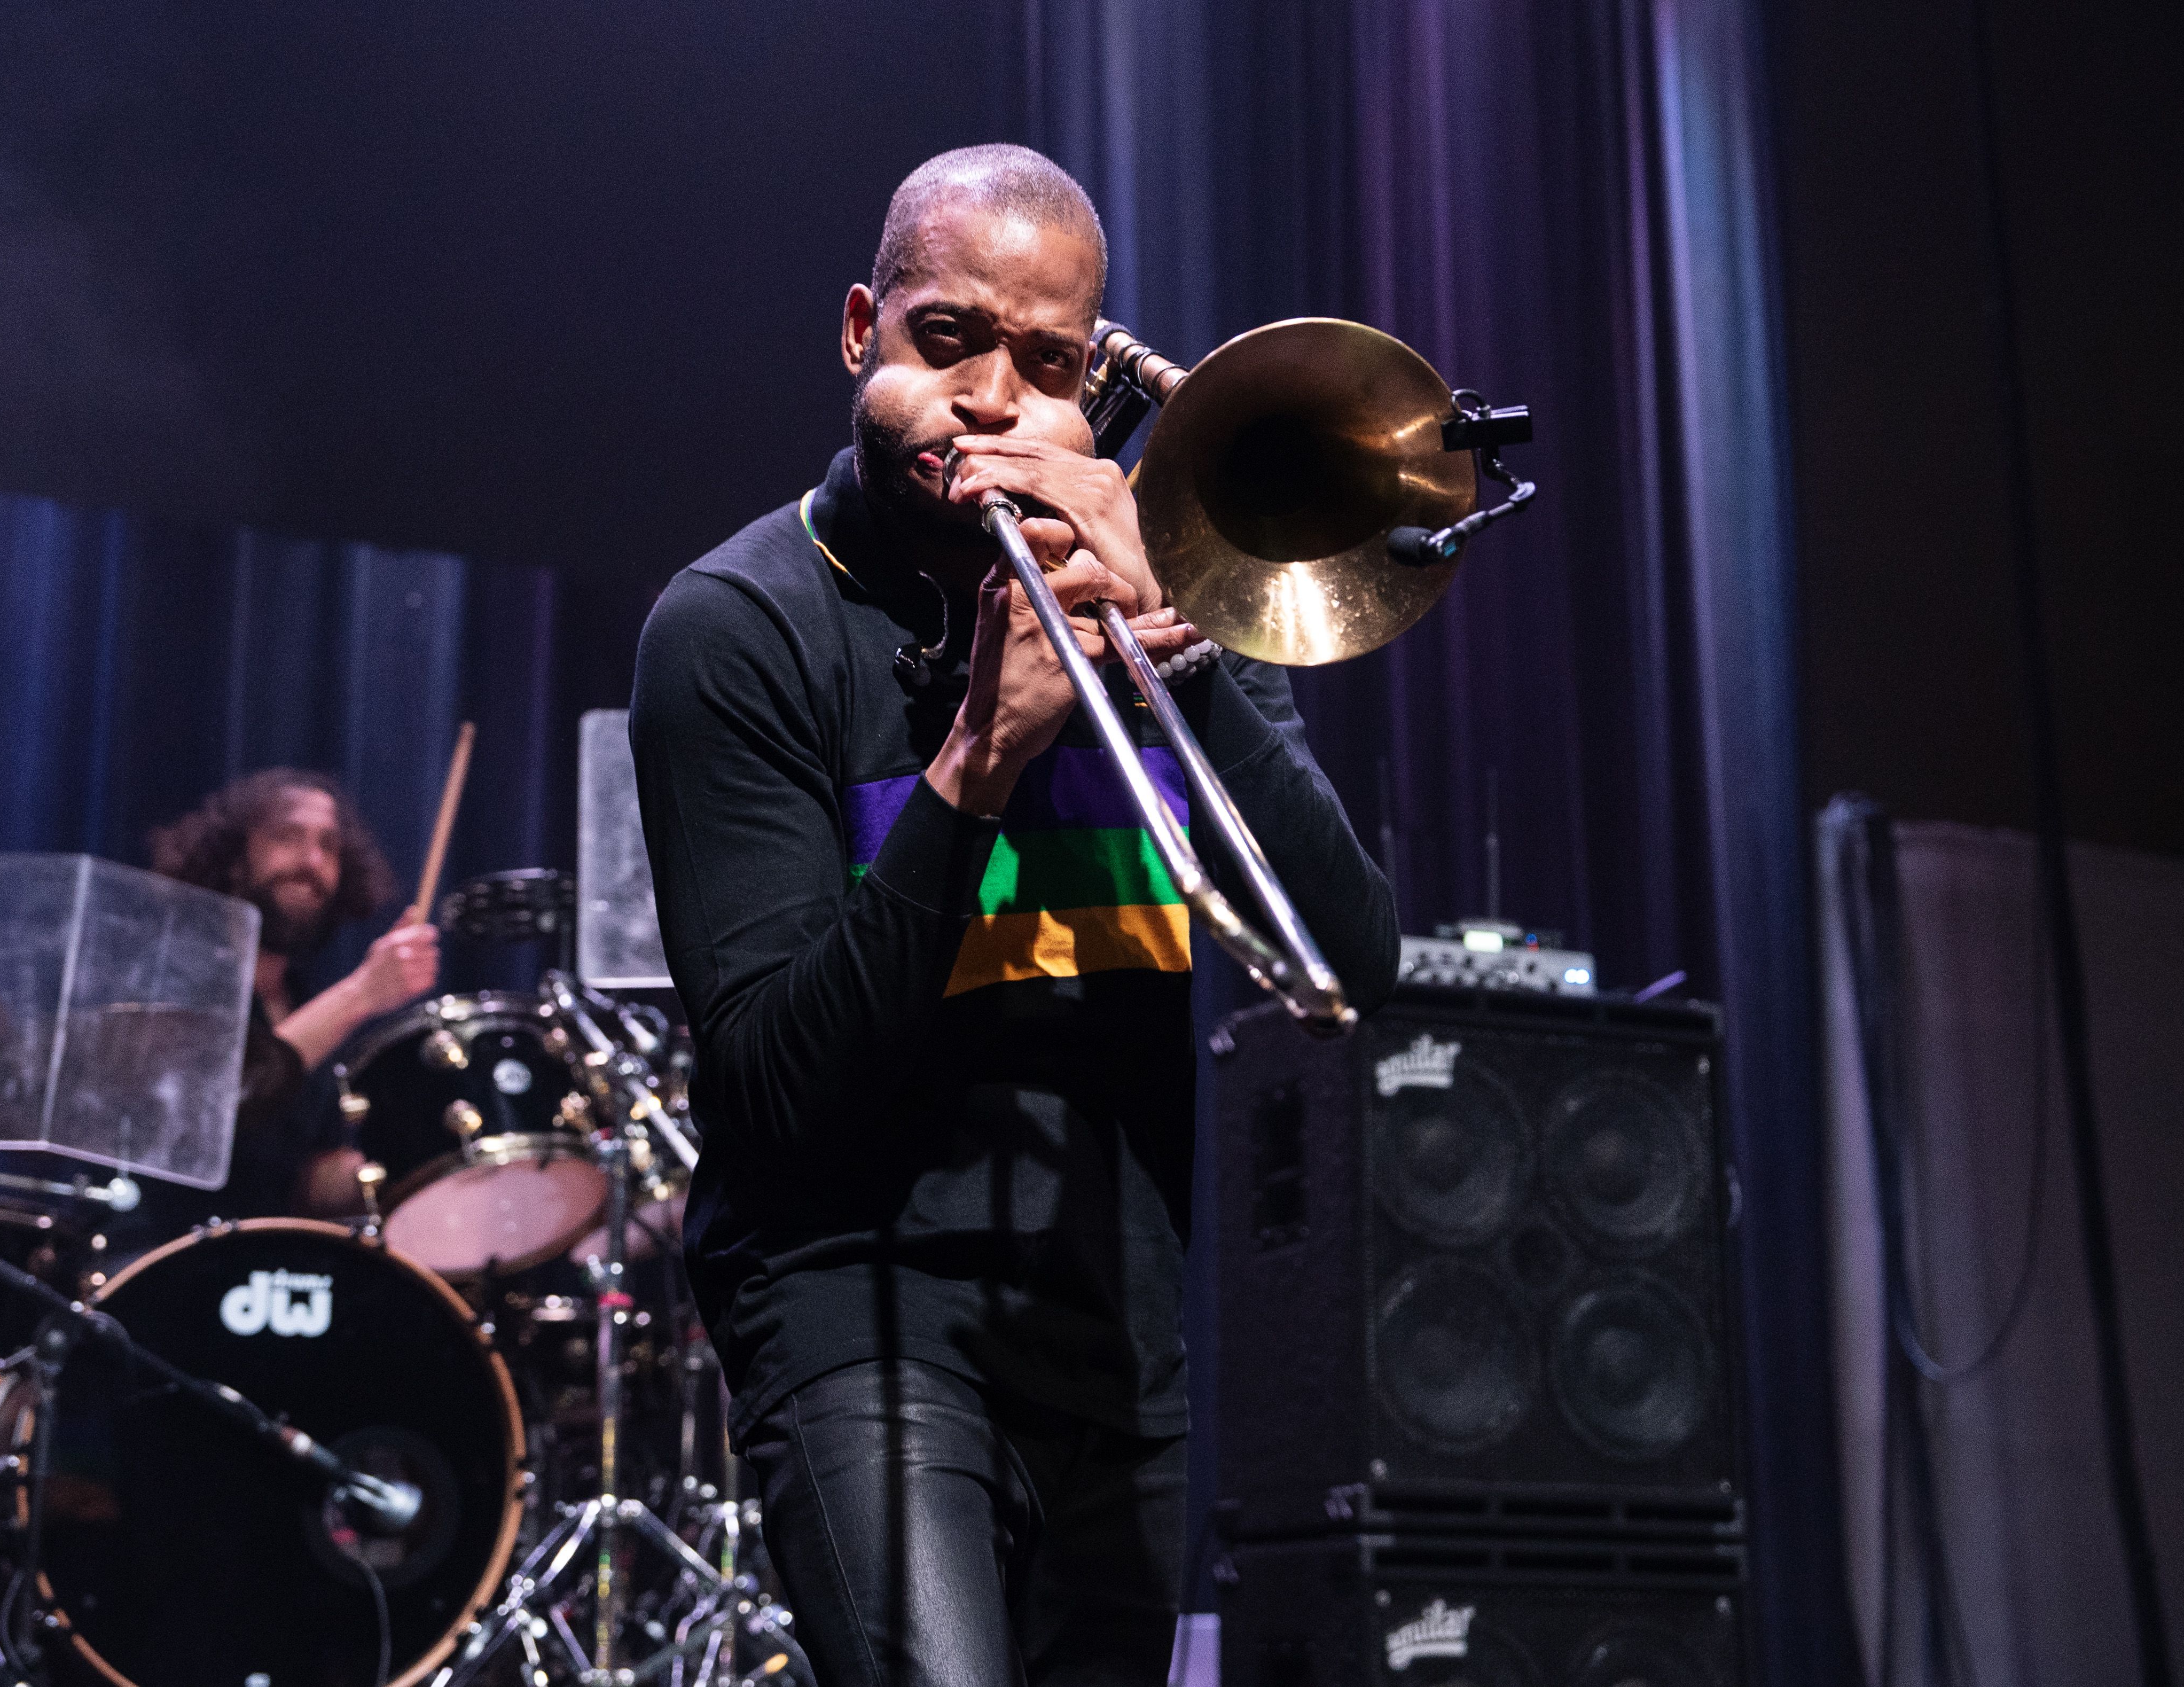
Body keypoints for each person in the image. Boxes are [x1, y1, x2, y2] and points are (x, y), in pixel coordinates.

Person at [628, 145, 1399, 1687]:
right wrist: (976, 759)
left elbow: (1349, 965)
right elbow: (776, 1087)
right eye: (944, 339)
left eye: (1045, 364)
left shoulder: (1163, 598)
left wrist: (1181, 654)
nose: (989, 399)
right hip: (854, 1312)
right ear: (861, 330)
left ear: (1093, 384)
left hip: (1114, 1328)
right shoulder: (736, 627)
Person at [145, 768, 440, 1223]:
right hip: (163, 1250)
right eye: (287, 837)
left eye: (330, 846)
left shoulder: (303, 1001)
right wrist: (363, 991)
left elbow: (306, 1188)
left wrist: (408, 1170)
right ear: (234, 860)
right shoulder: (170, 978)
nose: (313, 862)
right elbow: (215, 1106)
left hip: (272, 1256)